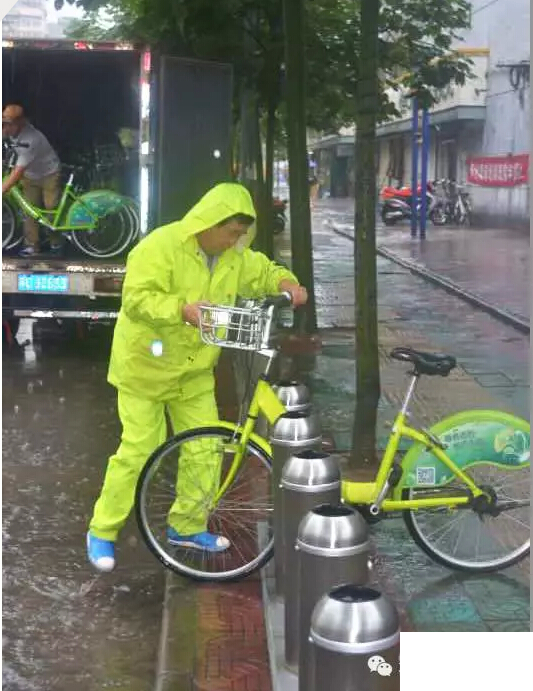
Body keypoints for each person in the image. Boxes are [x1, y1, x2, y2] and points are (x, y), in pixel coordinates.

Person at [86, 182, 307, 572]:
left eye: (240, 235)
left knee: (205, 448)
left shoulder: (234, 258)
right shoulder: (161, 246)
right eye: (231, 232)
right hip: (144, 369)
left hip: (194, 371)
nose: (235, 241)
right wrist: (180, 309)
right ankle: (102, 529)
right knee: (139, 450)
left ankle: (186, 526)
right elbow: (135, 299)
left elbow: (263, 271)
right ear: (209, 222)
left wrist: (286, 283)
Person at [2, 104, 61, 256]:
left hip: (49, 174)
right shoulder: (10, 129)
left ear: (20, 122)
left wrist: (2, 189)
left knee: (51, 208)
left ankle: (55, 242)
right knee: (29, 210)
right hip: (30, 175)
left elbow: (17, 172)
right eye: (3, 122)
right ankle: (32, 246)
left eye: (8, 124)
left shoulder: (31, 139)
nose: (5, 127)